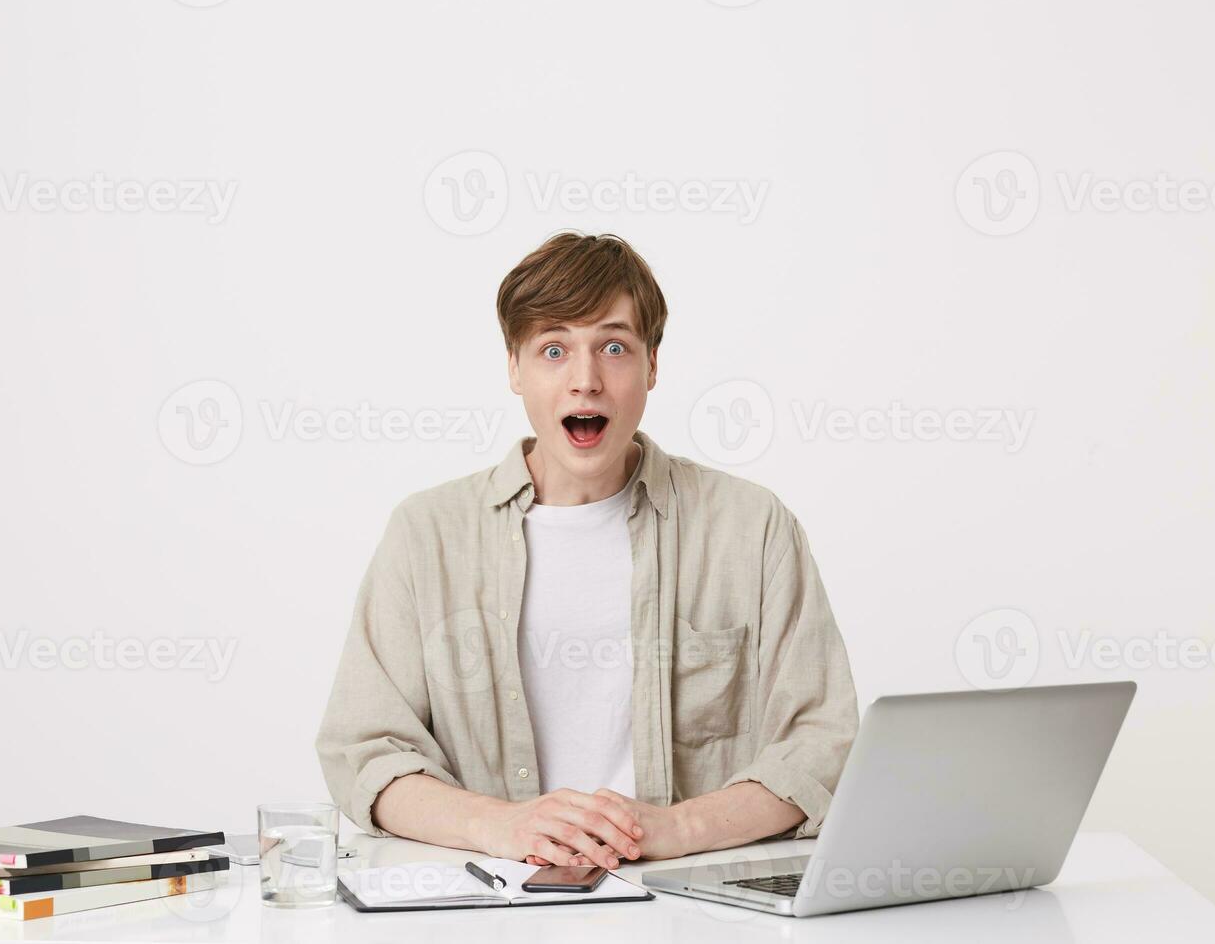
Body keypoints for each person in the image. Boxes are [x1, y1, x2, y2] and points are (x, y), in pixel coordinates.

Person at [315, 232, 857, 870]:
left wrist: (674, 829)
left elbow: (823, 744)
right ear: (514, 367)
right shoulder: (425, 534)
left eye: (614, 346)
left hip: (694, 904)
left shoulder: (753, 527)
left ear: (653, 364)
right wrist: (503, 826)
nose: (586, 381)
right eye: (553, 348)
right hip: (485, 904)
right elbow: (366, 753)